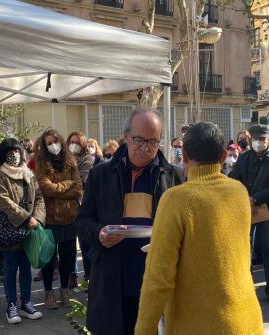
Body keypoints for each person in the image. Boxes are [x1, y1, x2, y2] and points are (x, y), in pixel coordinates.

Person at [134, 122, 263, 335]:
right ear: (223, 156)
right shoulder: (239, 191)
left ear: (183, 155)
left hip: (199, 325)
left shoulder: (177, 199)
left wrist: (144, 330)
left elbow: (158, 276)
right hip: (246, 319)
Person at [76, 108, 184, 335]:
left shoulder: (173, 176)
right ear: (125, 137)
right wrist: (99, 234)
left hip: (155, 274)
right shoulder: (101, 174)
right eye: (139, 140)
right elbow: (83, 220)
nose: (145, 148)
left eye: (153, 142)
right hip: (111, 273)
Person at [230, 124, 269, 306]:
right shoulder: (244, 158)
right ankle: (245, 287)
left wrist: (255, 198)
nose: (259, 143)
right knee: (245, 250)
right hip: (246, 208)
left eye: (262, 139)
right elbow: (233, 178)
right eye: (256, 139)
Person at [0, 138, 45, 324]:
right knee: (10, 267)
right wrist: (26, 218)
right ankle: (11, 304)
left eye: (16, 150)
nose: (13, 154)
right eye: (9, 151)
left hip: (29, 227)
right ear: (3, 154)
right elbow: (3, 200)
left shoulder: (28, 173)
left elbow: (39, 198)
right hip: (10, 227)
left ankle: (27, 303)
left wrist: (37, 218)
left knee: (26, 268)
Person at [34, 128, 83, 309]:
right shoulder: (40, 164)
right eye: (49, 143)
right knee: (48, 258)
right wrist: (68, 186)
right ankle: (49, 293)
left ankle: (64, 291)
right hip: (50, 218)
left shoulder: (70, 161)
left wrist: (62, 188)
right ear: (44, 146)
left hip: (70, 217)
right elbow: (47, 189)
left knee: (68, 257)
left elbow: (78, 187)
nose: (53, 145)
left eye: (55, 141)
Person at [66, 131, 94, 287]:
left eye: (77, 142)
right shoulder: (63, 159)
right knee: (68, 245)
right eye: (71, 141)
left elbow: (82, 182)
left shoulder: (86, 160)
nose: (73, 144)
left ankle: (89, 277)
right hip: (64, 209)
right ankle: (71, 276)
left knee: (85, 244)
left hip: (81, 206)